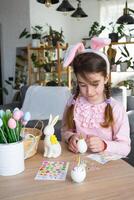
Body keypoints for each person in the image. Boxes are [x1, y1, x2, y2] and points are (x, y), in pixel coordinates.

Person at [61, 37, 131, 157]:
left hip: (106, 168)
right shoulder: (73, 102)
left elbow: (125, 148)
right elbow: (64, 131)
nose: (89, 92)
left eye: (95, 84)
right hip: (78, 163)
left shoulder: (116, 109)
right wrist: (71, 138)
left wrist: (105, 145)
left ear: (106, 78)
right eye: (82, 85)